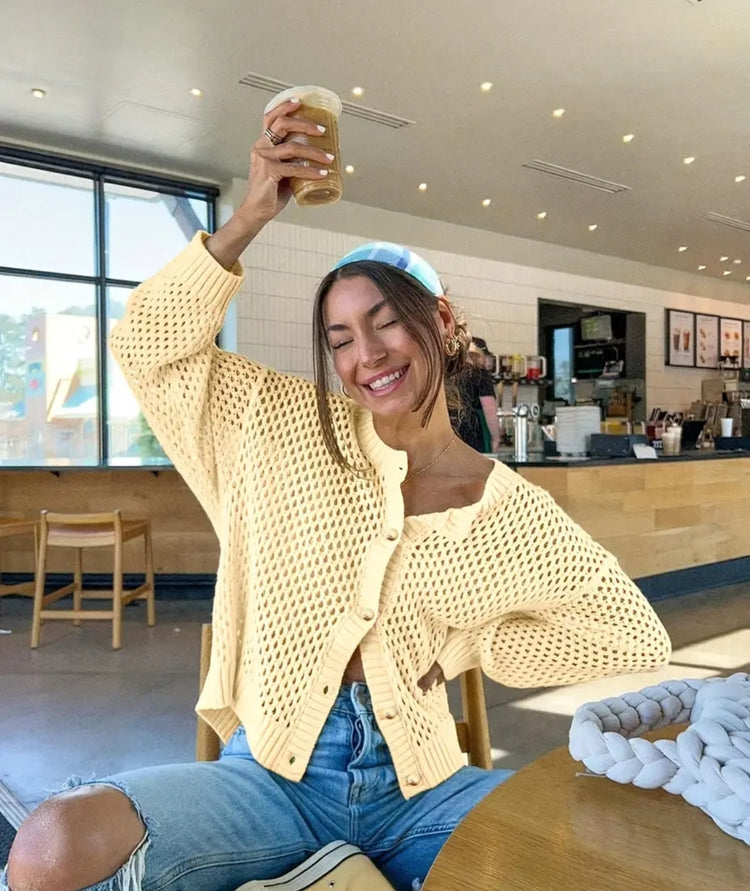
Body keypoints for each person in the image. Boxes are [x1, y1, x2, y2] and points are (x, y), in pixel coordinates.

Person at [4, 96, 672, 891]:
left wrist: (472, 644)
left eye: (385, 322)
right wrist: (251, 214)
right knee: (53, 846)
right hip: (269, 780)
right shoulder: (275, 424)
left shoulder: (508, 507)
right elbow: (147, 345)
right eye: (341, 338)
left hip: (424, 790)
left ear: (441, 319)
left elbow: (631, 634)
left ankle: (338, 877)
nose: (367, 355)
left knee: (614, 861)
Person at [451, 339, 501, 453]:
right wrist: (496, 438)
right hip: (473, 431)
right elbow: (490, 411)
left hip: (450, 430)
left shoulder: (450, 373)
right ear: (480, 355)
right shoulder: (480, 375)